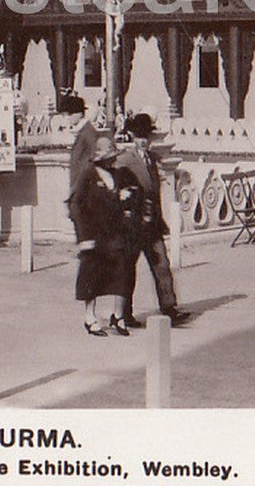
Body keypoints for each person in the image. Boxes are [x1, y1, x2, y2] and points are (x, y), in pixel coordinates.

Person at [114, 114, 190, 329]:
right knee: (129, 269)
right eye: (139, 136)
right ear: (132, 136)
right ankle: (124, 314)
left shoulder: (152, 159)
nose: (143, 141)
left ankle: (169, 308)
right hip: (134, 225)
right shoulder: (124, 159)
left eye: (146, 136)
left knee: (162, 265)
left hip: (153, 223)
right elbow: (116, 186)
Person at [67, 135, 134, 337]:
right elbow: (75, 205)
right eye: (110, 157)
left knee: (122, 272)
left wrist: (123, 199)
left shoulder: (116, 175)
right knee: (92, 276)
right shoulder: (88, 175)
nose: (113, 161)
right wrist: (83, 236)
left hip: (115, 234)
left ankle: (118, 316)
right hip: (94, 234)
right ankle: (90, 317)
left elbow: (124, 197)